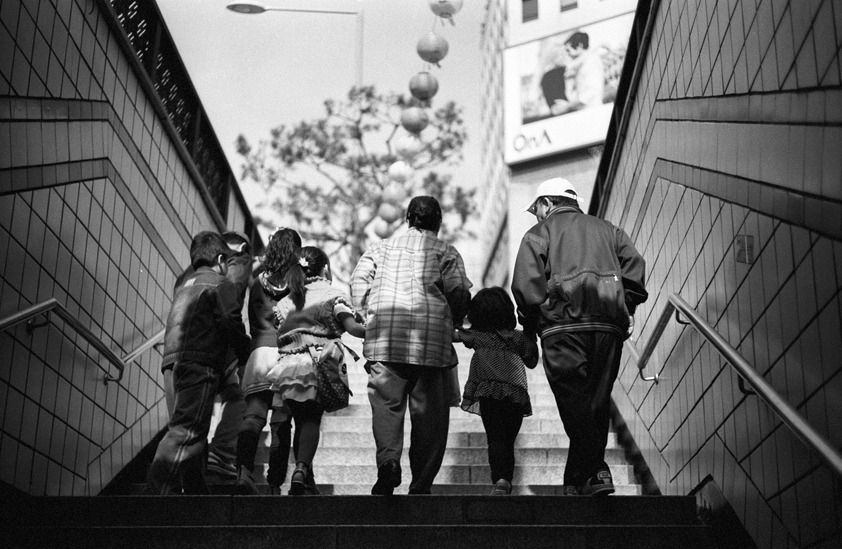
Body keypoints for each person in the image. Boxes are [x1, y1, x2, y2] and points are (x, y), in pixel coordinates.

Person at [511, 177, 648, 496]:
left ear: (546, 203)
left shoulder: (539, 233)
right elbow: (634, 268)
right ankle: (577, 479)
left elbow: (527, 286)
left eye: (536, 209)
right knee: (596, 402)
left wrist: (530, 325)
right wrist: (625, 305)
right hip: (607, 327)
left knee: (574, 401)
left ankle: (597, 469)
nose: (536, 215)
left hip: (562, 327)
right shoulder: (609, 230)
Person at [351, 196, 472, 495]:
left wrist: (367, 315)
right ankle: (421, 485)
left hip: (384, 341)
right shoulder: (446, 251)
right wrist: (453, 321)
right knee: (429, 418)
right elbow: (459, 291)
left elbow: (359, 283)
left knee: (386, 407)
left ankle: (389, 462)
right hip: (431, 344)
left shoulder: (379, 248)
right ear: (438, 222)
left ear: (407, 219)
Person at [145, 231, 251, 495]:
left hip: (171, 362)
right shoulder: (220, 283)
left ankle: (196, 496)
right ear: (220, 260)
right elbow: (231, 323)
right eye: (227, 261)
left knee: (192, 428)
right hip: (199, 362)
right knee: (186, 431)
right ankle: (153, 498)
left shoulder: (185, 285)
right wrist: (244, 353)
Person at [268, 246, 366, 495]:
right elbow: (353, 328)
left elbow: (279, 331)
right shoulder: (333, 296)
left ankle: (306, 479)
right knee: (312, 419)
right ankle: (301, 469)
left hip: (287, 368)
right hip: (317, 364)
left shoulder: (285, 302)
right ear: (325, 269)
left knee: (300, 420)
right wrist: (376, 329)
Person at [234, 228, 302, 495]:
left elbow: (251, 319)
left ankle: (244, 473)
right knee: (281, 422)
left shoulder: (256, 283)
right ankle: (274, 485)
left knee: (253, 417)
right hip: (287, 355)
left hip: (259, 353)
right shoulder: (298, 283)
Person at [454, 287, 539, 496]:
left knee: (495, 437)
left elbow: (452, 334)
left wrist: (458, 310)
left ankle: (500, 479)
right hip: (515, 394)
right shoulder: (517, 338)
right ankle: (505, 478)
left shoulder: (477, 337)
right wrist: (530, 333)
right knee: (508, 439)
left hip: (489, 394)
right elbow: (532, 361)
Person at [563, 31, 605, 110]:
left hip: (592, 109)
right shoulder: (581, 64)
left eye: (568, 50)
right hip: (584, 109)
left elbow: (591, 91)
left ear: (579, 46)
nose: (568, 55)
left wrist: (567, 106)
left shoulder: (591, 62)